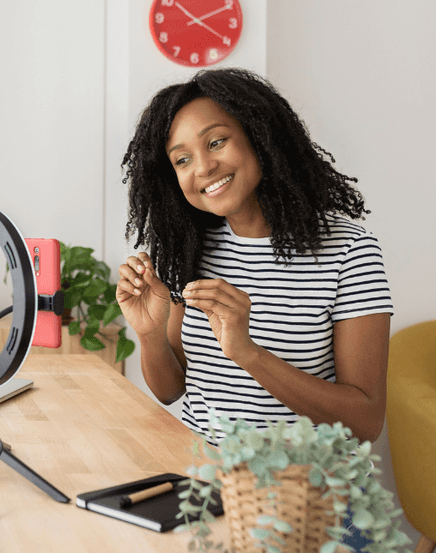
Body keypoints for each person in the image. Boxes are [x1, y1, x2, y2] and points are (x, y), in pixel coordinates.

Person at [116, 68, 393, 445]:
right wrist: (150, 335)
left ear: (260, 137)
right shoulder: (190, 248)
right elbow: (170, 390)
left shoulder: (349, 251)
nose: (203, 167)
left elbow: (365, 423)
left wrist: (247, 353)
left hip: (303, 491)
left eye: (216, 142)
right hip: (203, 484)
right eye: (182, 160)